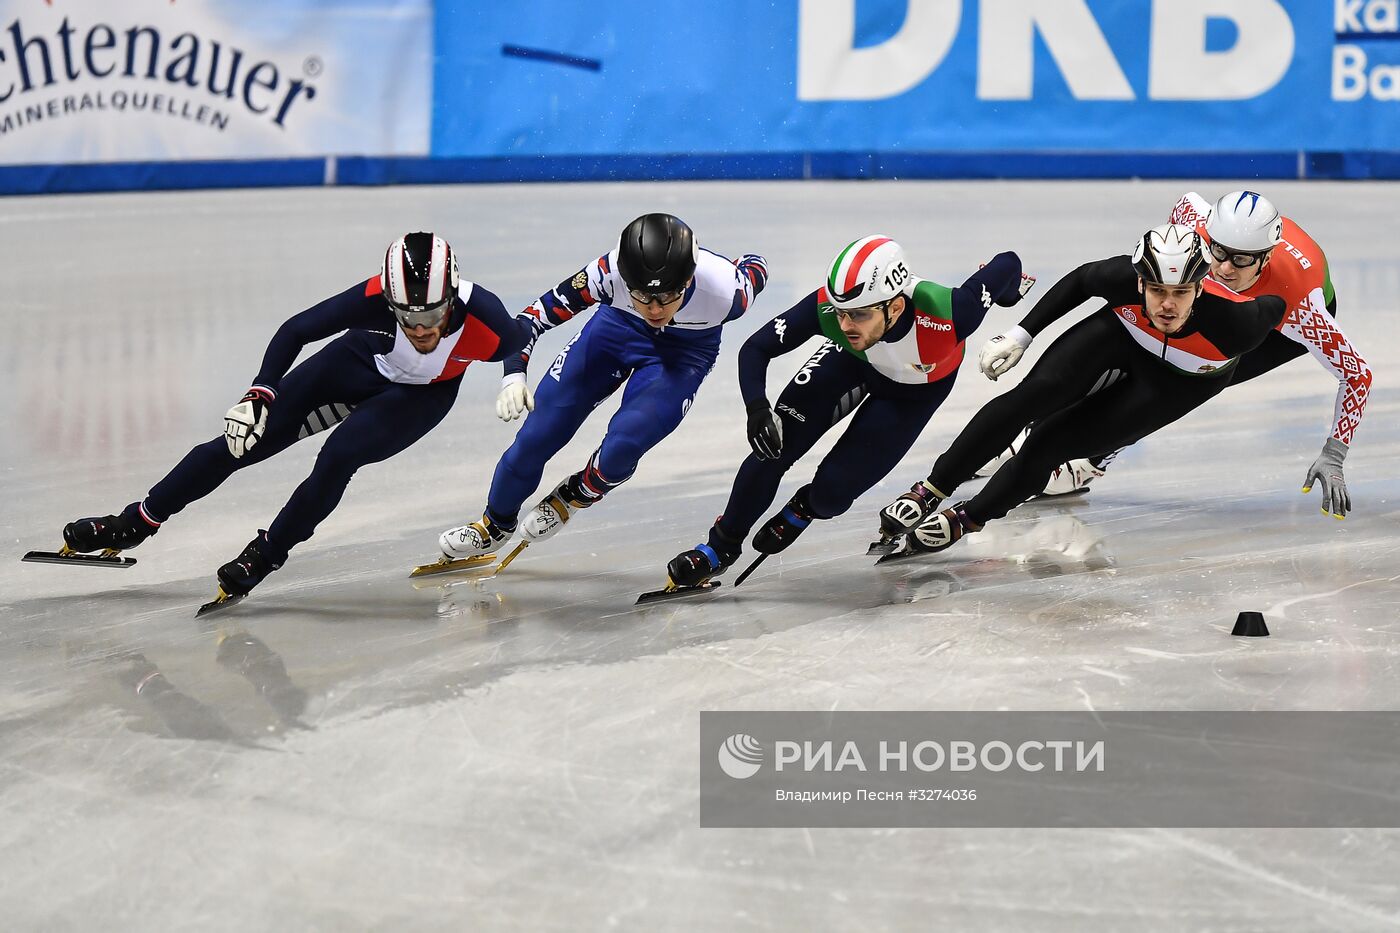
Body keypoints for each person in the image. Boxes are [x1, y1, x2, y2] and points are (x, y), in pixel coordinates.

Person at [52, 232, 529, 606]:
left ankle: (268, 553)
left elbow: (522, 333)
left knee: (338, 457)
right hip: (360, 360)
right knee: (239, 442)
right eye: (408, 315)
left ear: (453, 299)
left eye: (433, 314)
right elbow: (297, 329)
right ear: (389, 304)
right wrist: (260, 391)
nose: (422, 328)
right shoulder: (373, 297)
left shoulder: (485, 319)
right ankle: (135, 521)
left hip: (421, 396)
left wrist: (513, 376)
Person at [878, 224, 1286, 556]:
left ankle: (968, 518)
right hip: (1124, 336)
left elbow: (1281, 308)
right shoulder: (1122, 278)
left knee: (1049, 443)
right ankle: (931, 489)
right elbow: (1080, 281)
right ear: (1140, 283)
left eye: (1181, 293)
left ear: (1199, 289)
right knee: (1032, 397)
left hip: (1180, 379)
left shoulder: (1240, 323)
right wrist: (1022, 335)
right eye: (1157, 290)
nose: (1167, 305)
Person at [659, 235, 1033, 591]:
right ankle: (719, 547)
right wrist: (757, 408)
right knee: (771, 450)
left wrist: (1009, 292)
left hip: (913, 393)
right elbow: (755, 349)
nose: (844, 325)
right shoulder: (832, 310)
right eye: (839, 314)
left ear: (896, 306)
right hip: (849, 361)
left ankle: (805, 507)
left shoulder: (952, 312)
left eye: (857, 315)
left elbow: (1008, 263)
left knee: (831, 497)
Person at [977, 190, 1371, 518]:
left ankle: (1093, 461)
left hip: (1276, 325)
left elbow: (1357, 374)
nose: (1226, 268)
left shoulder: (1301, 305)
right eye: (1219, 252)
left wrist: (1334, 453)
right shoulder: (1192, 219)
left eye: (1242, 259)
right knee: (1135, 340)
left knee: (1189, 376)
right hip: (1213, 295)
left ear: (1265, 256)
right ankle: (1040, 432)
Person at [437, 213, 768, 565]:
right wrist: (514, 375)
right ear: (626, 280)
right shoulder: (606, 273)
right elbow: (531, 319)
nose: (655, 309)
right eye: (642, 294)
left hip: (686, 351)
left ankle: (577, 493)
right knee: (537, 435)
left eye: (668, 295)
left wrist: (731, 265)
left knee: (624, 445)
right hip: (617, 330)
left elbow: (757, 265)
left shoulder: (726, 291)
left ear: (687, 281)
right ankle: (494, 525)